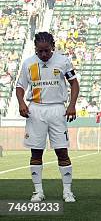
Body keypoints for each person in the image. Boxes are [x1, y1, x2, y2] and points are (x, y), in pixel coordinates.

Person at [15, 32, 79, 202]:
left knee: (62, 151)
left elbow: (74, 83)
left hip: (57, 109)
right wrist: (21, 102)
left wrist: (72, 105)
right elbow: (20, 86)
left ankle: (67, 191)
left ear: (53, 47)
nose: (43, 55)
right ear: (35, 48)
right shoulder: (28, 63)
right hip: (35, 110)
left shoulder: (63, 61)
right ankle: (38, 192)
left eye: (47, 51)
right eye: (40, 51)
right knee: (36, 152)